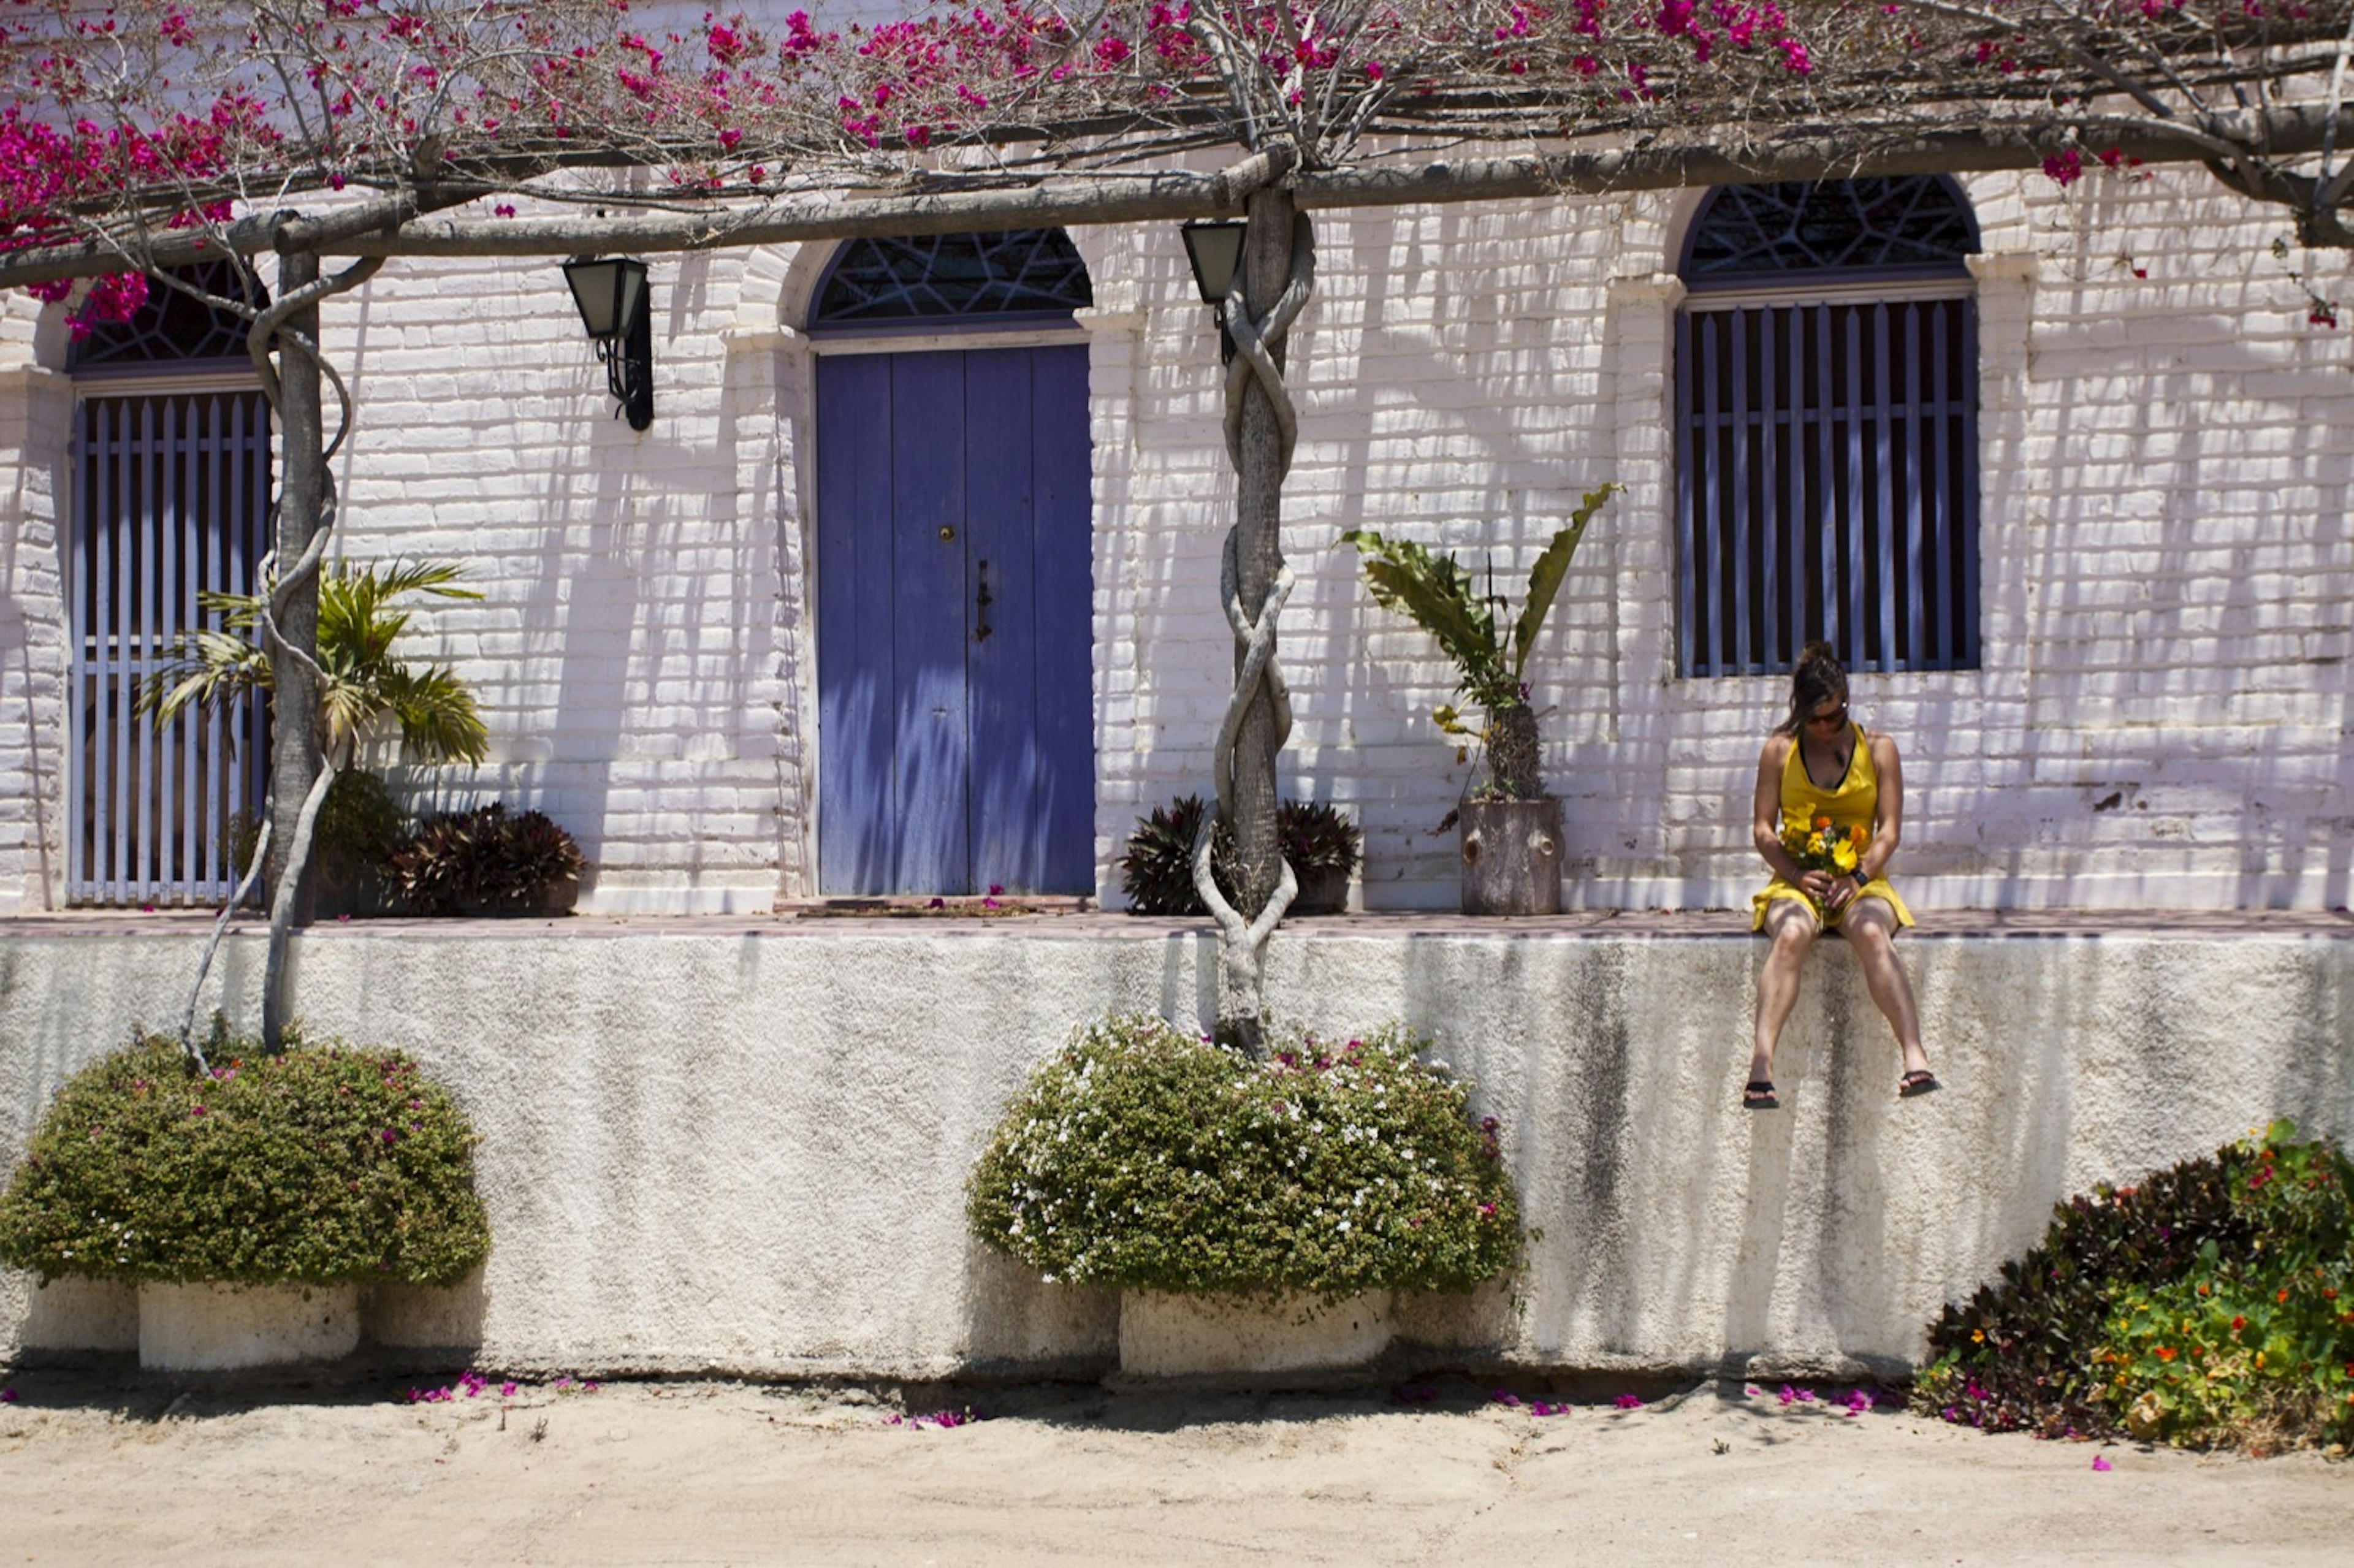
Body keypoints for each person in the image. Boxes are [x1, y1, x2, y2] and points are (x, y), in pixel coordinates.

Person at [1743, 642, 1938, 1110]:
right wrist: (1794, 873)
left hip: (1862, 879)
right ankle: (1762, 1065)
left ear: (1847, 702)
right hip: (1796, 880)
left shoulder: (1879, 749)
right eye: (1817, 719)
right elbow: (1763, 830)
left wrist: (1859, 874)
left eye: (1836, 716)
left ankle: (1915, 1057)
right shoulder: (1778, 752)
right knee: (1791, 932)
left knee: (1872, 931)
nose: (1827, 729)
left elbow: (1889, 830)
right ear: (1800, 711)